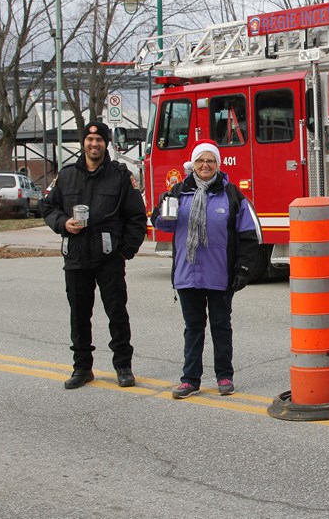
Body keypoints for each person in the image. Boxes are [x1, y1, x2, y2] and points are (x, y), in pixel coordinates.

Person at [41, 121, 147, 390]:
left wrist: (125, 251)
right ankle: (82, 367)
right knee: (79, 314)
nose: (94, 144)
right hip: (76, 255)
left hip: (109, 257)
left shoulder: (121, 176)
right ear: (83, 143)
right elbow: (48, 207)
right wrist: (63, 223)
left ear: (106, 143)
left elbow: (136, 217)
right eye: (89, 140)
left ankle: (123, 366)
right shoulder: (66, 176)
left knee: (116, 313)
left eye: (99, 140)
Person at [152, 140, 260, 399]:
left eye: (210, 160)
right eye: (200, 160)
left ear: (218, 164)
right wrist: (163, 214)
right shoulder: (178, 192)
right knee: (193, 328)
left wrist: (243, 269)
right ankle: (190, 379)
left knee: (221, 327)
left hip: (220, 275)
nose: (205, 165)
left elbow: (248, 235)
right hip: (187, 274)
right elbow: (162, 226)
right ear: (193, 164)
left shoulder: (232, 195)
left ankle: (225, 375)